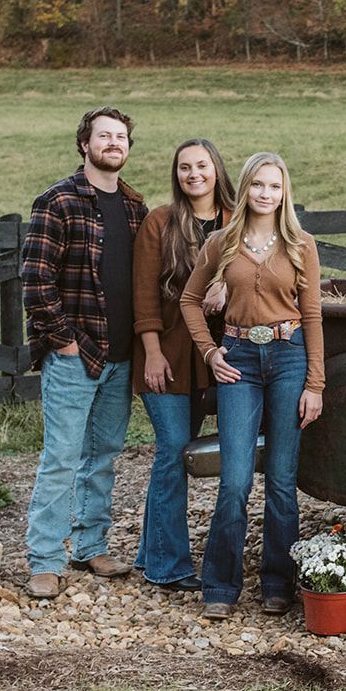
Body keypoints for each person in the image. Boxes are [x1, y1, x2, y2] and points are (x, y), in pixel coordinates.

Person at [180, 152, 324, 620]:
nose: (266, 194)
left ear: (285, 192)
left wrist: (314, 384)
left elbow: (313, 316)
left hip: (288, 357)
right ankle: (220, 586)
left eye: (275, 186)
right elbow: (189, 300)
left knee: (282, 480)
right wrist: (210, 351)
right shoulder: (221, 243)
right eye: (259, 185)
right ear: (245, 189)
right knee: (235, 480)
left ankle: (278, 583)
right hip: (238, 361)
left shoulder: (301, 244)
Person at [19, 107, 147, 599]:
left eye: (121, 137)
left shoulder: (135, 207)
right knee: (61, 458)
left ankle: (91, 545)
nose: (114, 143)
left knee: (105, 455)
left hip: (121, 356)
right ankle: (45, 560)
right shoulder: (58, 201)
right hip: (76, 356)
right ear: (84, 144)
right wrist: (64, 339)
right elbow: (36, 279)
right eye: (104, 136)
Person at [131, 139, 236, 592]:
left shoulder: (238, 219)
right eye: (184, 167)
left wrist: (229, 289)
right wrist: (151, 351)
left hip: (215, 358)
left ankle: (147, 552)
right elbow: (144, 294)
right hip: (168, 356)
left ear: (217, 169)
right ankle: (168, 566)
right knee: (174, 452)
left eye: (202, 165)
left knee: (180, 453)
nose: (194, 174)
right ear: (177, 175)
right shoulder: (160, 222)